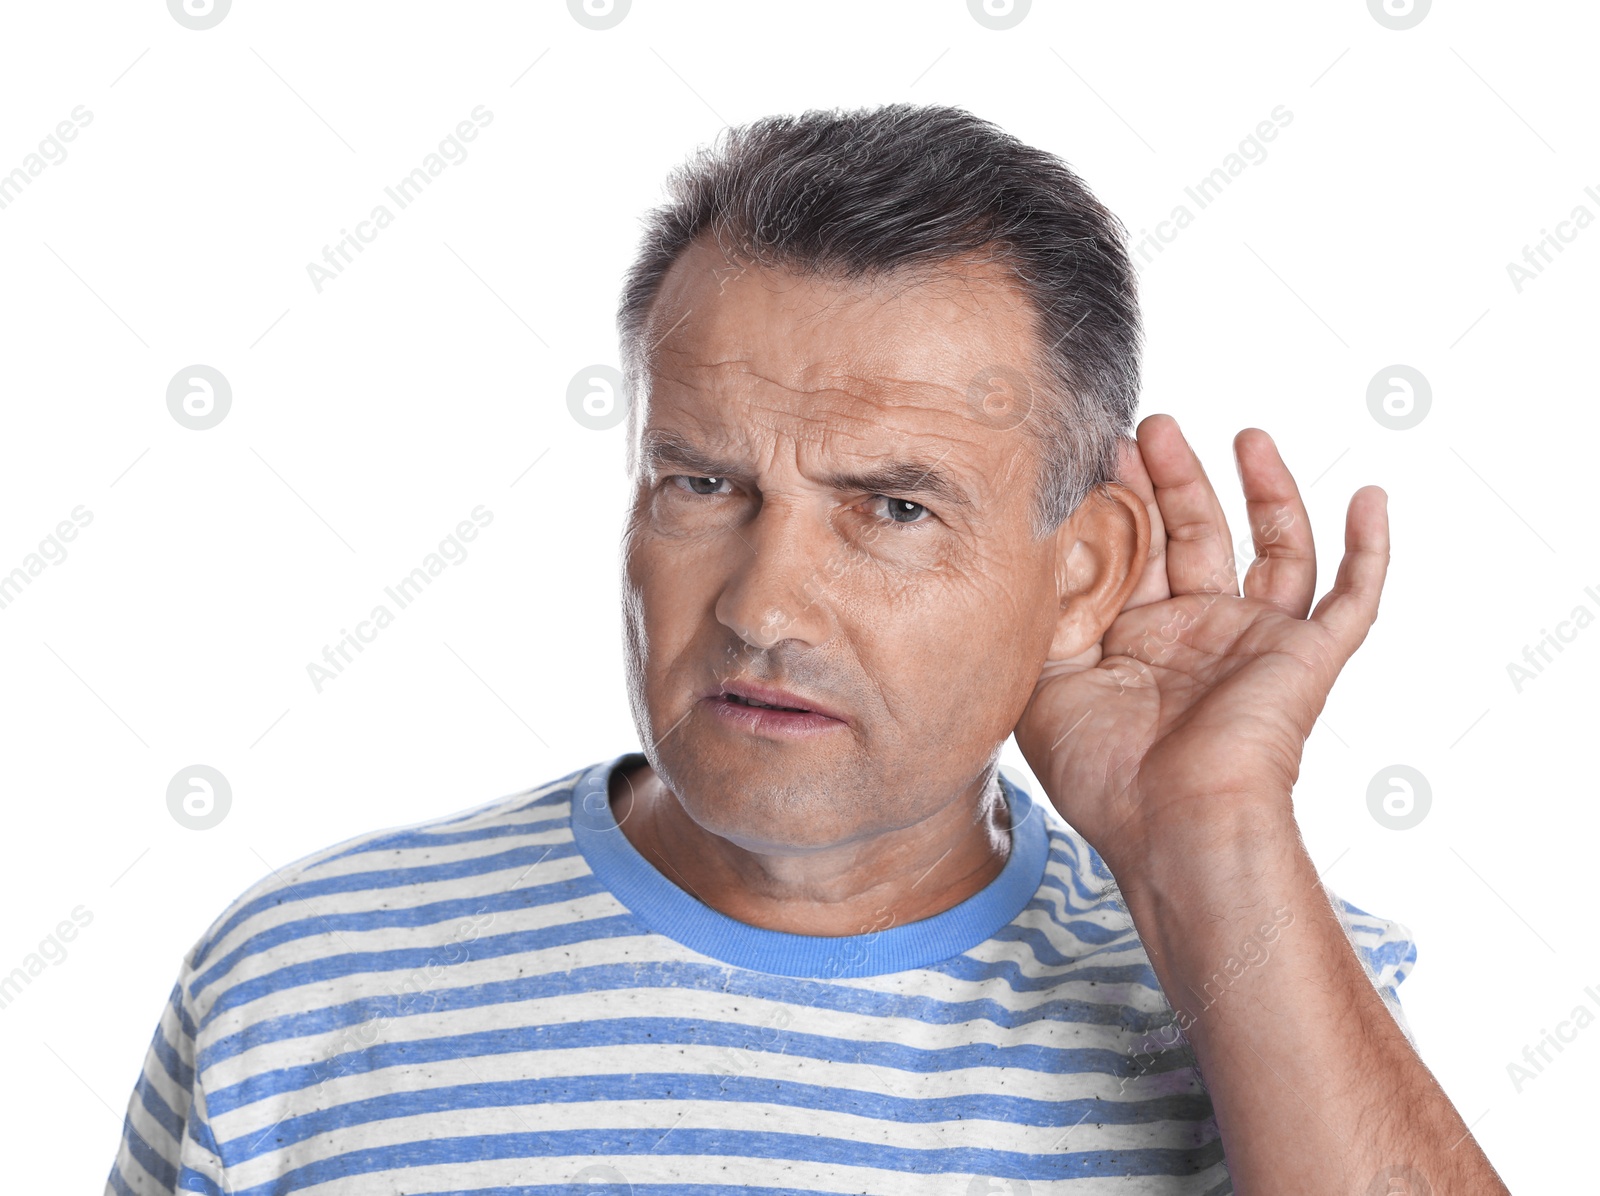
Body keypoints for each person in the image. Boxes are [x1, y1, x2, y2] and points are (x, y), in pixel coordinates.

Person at [107, 103, 1506, 1195]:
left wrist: (1206, 840)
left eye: (892, 508)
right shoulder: (299, 986)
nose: (763, 605)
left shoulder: (1257, 982)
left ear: (1083, 574)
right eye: (704, 484)